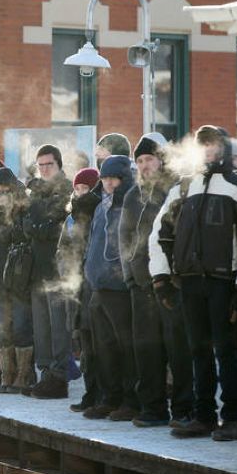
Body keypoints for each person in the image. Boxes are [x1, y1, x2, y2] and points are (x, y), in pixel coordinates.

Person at [150, 125, 237, 441]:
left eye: (215, 146)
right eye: (205, 146)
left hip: (224, 283)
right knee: (198, 350)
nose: (210, 151)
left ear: (224, 150)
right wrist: (161, 278)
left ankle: (232, 418)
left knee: (226, 351)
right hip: (189, 281)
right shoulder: (183, 188)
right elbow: (159, 235)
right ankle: (204, 417)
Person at [119, 133, 193, 427]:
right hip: (140, 285)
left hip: (171, 285)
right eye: (139, 160)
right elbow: (124, 238)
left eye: (149, 159)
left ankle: (184, 408)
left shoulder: (176, 190)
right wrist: (129, 276)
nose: (144, 165)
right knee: (146, 350)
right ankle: (153, 408)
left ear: (161, 160)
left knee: (178, 349)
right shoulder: (132, 195)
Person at [82, 155, 138, 421]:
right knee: (102, 347)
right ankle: (109, 397)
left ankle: (130, 400)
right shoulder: (100, 207)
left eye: (113, 179)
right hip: (98, 285)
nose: (108, 184)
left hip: (120, 286)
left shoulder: (130, 204)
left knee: (125, 347)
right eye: (105, 179)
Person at [23, 145, 73, 399]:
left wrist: (38, 228)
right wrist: (39, 227)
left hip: (58, 270)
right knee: (41, 327)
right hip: (36, 269)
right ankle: (45, 374)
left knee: (58, 328)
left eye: (49, 164)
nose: (44, 169)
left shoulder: (67, 190)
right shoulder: (34, 192)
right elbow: (26, 225)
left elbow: (59, 228)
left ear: (59, 165)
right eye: (40, 165)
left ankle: (59, 377)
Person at [0, 167, 33, 394]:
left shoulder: (25, 207)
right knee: (2, 329)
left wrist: (10, 217)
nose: (1, 191)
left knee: (21, 327)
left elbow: (24, 238)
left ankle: (23, 374)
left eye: (4, 187)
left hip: (20, 277)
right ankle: (7, 374)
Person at [60, 167, 101, 412]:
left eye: (86, 188)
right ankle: (90, 392)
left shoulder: (98, 212)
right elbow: (63, 248)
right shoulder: (71, 217)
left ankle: (103, 393)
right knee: (84, 342)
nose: (81, 192)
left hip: (94, 283)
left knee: (99, 342)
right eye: (77, 188)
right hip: (75, 284)